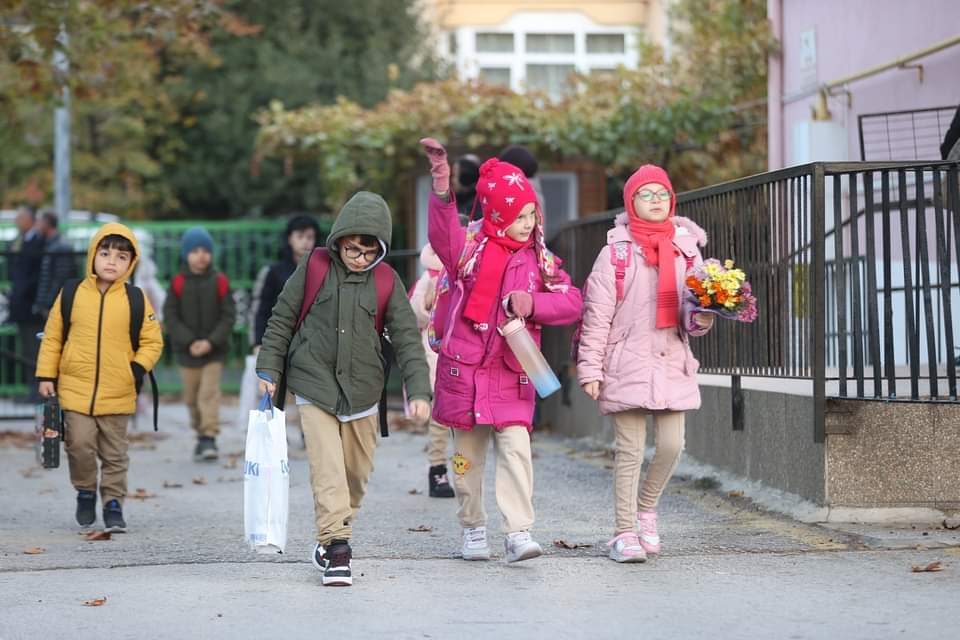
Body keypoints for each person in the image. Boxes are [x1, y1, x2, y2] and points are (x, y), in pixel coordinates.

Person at [256, 191, 432, 587]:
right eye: (353, 248)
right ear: (339, 240)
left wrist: (419, 391)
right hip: (313, 380)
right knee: (328, 470)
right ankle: (337, 548)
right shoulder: (315, 266)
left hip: (364, 390)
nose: (359, 257)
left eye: (369, 251)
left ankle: (332, 532)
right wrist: (268, 366)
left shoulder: (387, 279)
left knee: (355, 474)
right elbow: (282, 317)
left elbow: (406, 338)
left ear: (380, 250)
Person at [421, 137, 583, 563]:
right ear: (496, 214)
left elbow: (572, 299)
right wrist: (441, 186)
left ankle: (518, 531)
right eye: (519, 215)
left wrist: (534, 304)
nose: (528, 223)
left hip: (514, 372)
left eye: (532, 213)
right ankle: (472, 527)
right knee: (465, 462)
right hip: (466, 373)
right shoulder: (468, 252)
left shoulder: (539, 259)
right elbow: (442, 234)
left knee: (516, 451)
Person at [576, 164, 714, 563]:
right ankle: (623, 532)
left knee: (673, 446)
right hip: (624, 362)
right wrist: (590, 369)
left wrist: (703, 317)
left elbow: (692, 312)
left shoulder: (688, 249)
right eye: (645, 194)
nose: (655, 201)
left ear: (671, 201)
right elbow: (597, 314)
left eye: (661, 194)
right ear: (631, 202)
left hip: (672, 360)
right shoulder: (615, 252)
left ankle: (646, 510)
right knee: (630, 451)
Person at [35, 223, 163, 532]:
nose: (111, 261)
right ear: (93, 254)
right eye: (105, 253)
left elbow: (152, 341)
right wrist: (46, 374)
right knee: (78, 445)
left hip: (118, 391)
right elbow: (53, 338)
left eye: (121, 256)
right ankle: (85, 490)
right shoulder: (71, 293)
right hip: (75, 388)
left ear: (130, 262)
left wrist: (135, 369)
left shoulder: (135, 298)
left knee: (115, 453)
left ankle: (113, 503)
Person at [163, 227, 236, 462]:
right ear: (186, 254)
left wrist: (210, 342)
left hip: (214, 352)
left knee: (208, 394)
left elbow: (228, 316)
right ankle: (200, 433)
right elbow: (171, 317)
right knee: (191, 399)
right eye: (195, 251)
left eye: (206, 250)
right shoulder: (178, 283)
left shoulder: (220, 281)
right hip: (187, 353)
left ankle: (209, 438)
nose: (201, 255)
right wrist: (190, 342)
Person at [408, 242, 455, 498]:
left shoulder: (470, 269)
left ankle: (463, 470)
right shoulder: (429, 277)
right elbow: (413, 313)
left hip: (465, 354)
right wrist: (428, 305)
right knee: (440, 418)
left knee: (463, 423)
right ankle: (437, 469)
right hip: (436, 353)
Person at [252, 215, 320, 349]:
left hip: (315, 343)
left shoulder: (324, 271)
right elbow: (261, 309)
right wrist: (258, 342)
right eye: (300, 237)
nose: (305, 242)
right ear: (290, 238)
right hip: (280, 341)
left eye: (310, 237)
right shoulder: (273, 272)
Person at [8, 205, 45, 401]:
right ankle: (31, 389)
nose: (16, 221)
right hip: (22, 306)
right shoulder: (20, 240)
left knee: (35, 350)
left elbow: (33, 276)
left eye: (20, 217)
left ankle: (38, 391)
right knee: (27, 350)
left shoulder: (37, 242)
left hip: (31, 306)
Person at [32, 211, 78, 319]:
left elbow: (60, 279)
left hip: (55, 306)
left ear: (46, 223)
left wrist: (49, 305)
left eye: (39, 222)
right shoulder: (49, 244)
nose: (36, 226)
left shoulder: (60, 246)